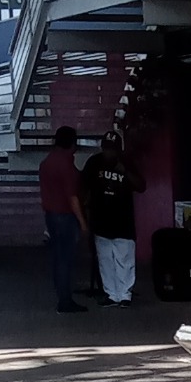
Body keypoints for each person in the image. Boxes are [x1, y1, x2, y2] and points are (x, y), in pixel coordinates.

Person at [82, 130, 145, 307]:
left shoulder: (127, 163)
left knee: (124, 259)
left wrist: (125, 172)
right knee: (105, 260)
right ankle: (111, 294)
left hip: (123, 220)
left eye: (113, 149)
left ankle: (125, 295)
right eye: (107, 149)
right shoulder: (94, 163)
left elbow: (141, 186)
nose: (109, 153)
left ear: (119, 150)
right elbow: (84, 187)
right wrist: (86, 213)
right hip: (101, 220)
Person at [39, 125, 89, 314]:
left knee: (58, 259)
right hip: (65, 217)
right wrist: (83, 223)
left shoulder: (47, 162)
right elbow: (73, 198)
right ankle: (65, 301)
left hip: (51, 216)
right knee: (65, 260)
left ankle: (62, 296)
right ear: (72, 143)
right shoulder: (65, 165)